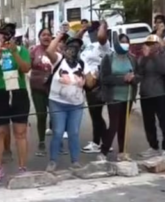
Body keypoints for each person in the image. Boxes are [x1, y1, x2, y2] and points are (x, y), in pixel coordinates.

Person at [0, 22, 31, 180]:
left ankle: (22, 167)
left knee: (20, 132)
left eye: (9, 34)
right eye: (3, 34)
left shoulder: (21, 50)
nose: (6, 37)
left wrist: (14, 52)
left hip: (18, 92)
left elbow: (26, 69)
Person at [43, 33, 86, 171]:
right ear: (65, 49)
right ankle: (53, 161)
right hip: (58, 102)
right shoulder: (59, 60)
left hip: (76, 103)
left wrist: (87, 81)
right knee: (58, 131)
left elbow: (90, 80)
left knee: (73, 132)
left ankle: (75, 161)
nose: (74, 50)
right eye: (71, 47)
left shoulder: (82, 63)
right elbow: (49, 51)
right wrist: (60, 36)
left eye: (77, 48)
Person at [98, 33, 139, 161]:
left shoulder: (132, 59)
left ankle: (122, 152)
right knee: (114, 125)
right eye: (122, 42)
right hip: (114, 97)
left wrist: (133, 79)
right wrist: (123, 79)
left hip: (127, 96)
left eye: (127, 42)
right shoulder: (108, 58)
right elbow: (104, 79)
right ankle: (104, 151)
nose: (125, 44)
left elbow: (138, 76)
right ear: (116, 43)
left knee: (124, 125)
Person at [136, 34, 165, 158]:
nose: (150, 47)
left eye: (153, 44)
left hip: (160, 93)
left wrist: (154, 56)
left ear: (158, 45)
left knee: (164, 121)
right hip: (146, 93)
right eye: (148, 44)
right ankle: (153, 146)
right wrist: (145, 58)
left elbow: (164, 69)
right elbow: (139, 72)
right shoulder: (144, 58)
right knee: (148, 122)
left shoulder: (164, 56)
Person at [80, 20, 111, 154]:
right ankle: (97, 142)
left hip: (97, 83)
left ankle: (105, 143)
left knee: (97, 114)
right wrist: (84, 29)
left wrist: (103, 25)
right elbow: (74, 40)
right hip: (88, 83)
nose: (93, 32)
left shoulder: (103, 45)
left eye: (96, 30)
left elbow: (101, 37)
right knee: (94, 115)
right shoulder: (89, 46)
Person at [29, 28, 54, 156]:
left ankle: (57, 142)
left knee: (56, 115)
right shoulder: (34, 51)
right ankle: (41, 142)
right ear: (39, 37)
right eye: (43, 34)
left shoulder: (56, 49)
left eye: (48, 35)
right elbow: (27, 66)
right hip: (37, 88)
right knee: (41, 115)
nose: (46, 37)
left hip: (54, 89)